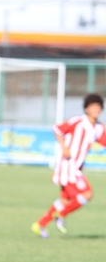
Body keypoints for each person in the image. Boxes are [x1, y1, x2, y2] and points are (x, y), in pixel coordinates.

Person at [32, 93, 106, 238]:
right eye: (93, 106)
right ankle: (61, 215)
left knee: (65, 200)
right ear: (86, 108)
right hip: (67, 167)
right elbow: (57, 129)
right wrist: (64, 148)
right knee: (87, 194)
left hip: (76, 169)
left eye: (99, 106)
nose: (96, 109)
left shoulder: (99, 128)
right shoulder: (77, 121)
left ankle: (40, 224)